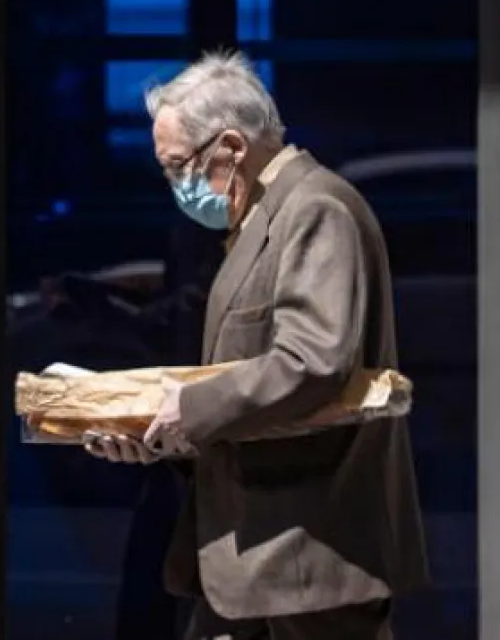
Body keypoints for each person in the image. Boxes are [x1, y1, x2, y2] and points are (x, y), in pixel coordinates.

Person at [83, 51, 429, 639]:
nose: (174, 184)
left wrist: (189, 411)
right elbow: (257, 391)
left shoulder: (316, 209)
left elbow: (311, 362)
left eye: (176, 166)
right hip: (256, 560)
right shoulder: (266, 216)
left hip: (307, 556)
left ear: (231, 148)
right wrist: (159, 434)